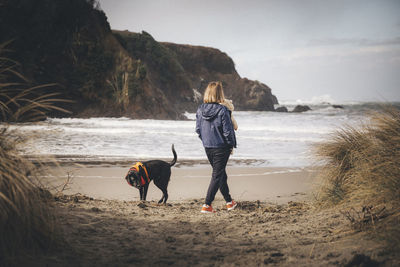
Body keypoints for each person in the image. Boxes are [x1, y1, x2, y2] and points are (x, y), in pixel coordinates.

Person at [195, 81, 238, 213]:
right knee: (217, 175)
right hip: (221, 147)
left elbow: (198, 130)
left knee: (220, 174)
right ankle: (207, 205)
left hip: (208, 146)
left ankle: (229, 202)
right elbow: (228, 131)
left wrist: (206, 141)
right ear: (220, 94)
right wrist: (231, 145)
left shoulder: (200, 109)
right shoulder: (223, 110)